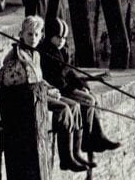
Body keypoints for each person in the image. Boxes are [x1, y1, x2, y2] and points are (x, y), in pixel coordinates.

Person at [0, 15, 89, 172]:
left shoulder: (36, 54)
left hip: (38, 93)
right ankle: (66, 159)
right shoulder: (15, 56)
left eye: (37, 34)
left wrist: (50, 88)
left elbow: (39, 78)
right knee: (64, 109)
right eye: (29, 34)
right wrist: (45, 92)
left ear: (41, 36)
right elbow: (9, 83)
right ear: (21, 34)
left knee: (74, 106)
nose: (33, 38)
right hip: (23, 99)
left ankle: (74, 153)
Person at [38, 17, 120, 157]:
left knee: (91, 96)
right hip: (57, 89)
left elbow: (70, 73)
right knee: (88, 100)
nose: (61, 40)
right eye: (58, 37)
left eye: (64, 37)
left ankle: (98, 135)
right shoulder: (46, 52)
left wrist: (83, 85)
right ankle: (87, 140)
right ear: (50, 36)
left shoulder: (61, 51)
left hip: (64, 86)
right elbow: (57, 80)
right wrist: (74, 89)